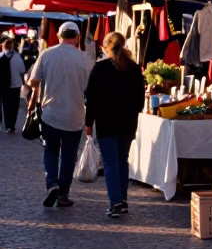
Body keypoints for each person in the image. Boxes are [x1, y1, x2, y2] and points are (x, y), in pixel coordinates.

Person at [26, 21, 93, 208]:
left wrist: (36, 97)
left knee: (50, 151)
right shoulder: (86, 59)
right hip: (75, 115)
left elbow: (34, 81)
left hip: (51, 113)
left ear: (59, 36)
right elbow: (91, 89)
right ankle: (63, 193)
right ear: (78, 37)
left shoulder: (47, 54)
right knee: (69, 156)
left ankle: (52, 184)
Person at [84, 32, 146, 218]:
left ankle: (115, 202)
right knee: (121, 161)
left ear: (106, 46)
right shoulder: (134, 69)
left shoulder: (100, 68)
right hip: (127, 122)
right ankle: (123, 200)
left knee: (110, 162)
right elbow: (140, 102)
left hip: (106, 121)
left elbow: (91, 99)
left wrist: (89, 123)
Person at [1, 37, 26, 133]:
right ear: (12, 46)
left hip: (4, 85)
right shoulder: (17, 57)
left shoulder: (0, 56)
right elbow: (22, 70)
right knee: (15, 105)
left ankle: (7, 125)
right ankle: (12, 125)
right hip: (16, 85)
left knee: (6, 105)